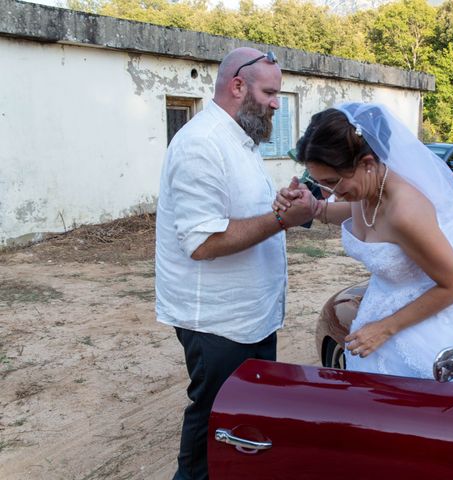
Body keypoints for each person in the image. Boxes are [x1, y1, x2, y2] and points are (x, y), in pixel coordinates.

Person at [275, 103, 453, 425]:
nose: (330, 191)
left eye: (332, 182)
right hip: (383, 304)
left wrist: (385, 328)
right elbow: (344, 213)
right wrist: (313, 207)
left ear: (368, 163)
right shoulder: (367, 192)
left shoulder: (405, 211)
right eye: (321, 183)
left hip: (430, 314)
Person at [155, 47, 315, 480]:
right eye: (270, 92)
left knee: (242, 420)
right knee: (213, 420)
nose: (277, 103)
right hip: (216, 321)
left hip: (251, 315)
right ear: (237, 86)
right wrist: (282, 219)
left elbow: (244, 213)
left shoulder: (241, 140)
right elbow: (203, 242)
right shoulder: (201, 144)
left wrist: (281, 204)